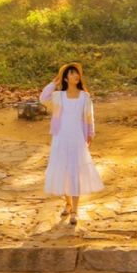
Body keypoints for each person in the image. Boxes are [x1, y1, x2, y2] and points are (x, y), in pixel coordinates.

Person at [39, 62, 103, 227]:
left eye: (77, 73)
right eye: (72, 73)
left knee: (75, 171)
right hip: (60, 137)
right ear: (66, 78)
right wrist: (54, 82)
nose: (76, 76)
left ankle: (75, 210)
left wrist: (90, 134)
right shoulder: (58, 96)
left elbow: (90, 117)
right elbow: (42, 98)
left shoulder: (84, 97)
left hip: (77, 137)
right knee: (63, 171)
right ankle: (67, 203)